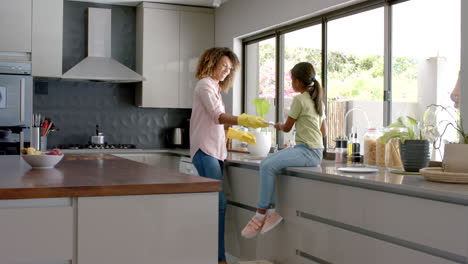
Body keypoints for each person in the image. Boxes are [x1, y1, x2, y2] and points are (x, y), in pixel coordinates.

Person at [190, 47, 268, 264]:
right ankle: (218, 259)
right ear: (211, 62)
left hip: (214, 151)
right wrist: (244, 121)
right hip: (205, 151)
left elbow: (215, 123)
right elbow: (217, 116)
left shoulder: (214, 87)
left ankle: (212, 255)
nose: (226, 70)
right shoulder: (205, 85)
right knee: (218, 203)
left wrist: (235, 133)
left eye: (230, 68)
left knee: (215, 203)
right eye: (224, 65)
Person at [241, 62, 327, 239]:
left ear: (297, 81)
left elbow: (287, 128)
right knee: (267, 163)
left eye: (291, 80)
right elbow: (323, 131)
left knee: (266, 166)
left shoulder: (299, 99)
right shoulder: (317, 101)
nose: (291, 83)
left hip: (308, 152)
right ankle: (271, 212)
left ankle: (260, 215)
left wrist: (277, 125)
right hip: (313, 150)